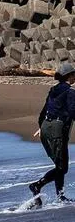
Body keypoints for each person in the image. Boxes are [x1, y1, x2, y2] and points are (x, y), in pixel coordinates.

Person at [29, 62, 75, 205]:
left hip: (46, 127)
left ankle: (60, 196)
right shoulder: (70, 92)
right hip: (57, 129)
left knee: (59, 165)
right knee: (62, 167)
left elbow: (43, 112)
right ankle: (37, 185)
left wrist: (41, 127)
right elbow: (73, 112)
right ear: (70, 76)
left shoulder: (53, 90)